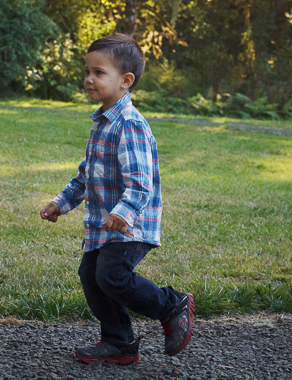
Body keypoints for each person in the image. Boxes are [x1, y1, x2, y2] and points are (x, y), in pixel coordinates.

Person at [40, 33, 194, 363]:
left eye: (99, 72)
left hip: (129, 225)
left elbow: (142, 183)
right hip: (104, 224)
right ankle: (120, 342)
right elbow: (87, 174)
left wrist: (123, 212)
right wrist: (61, 202)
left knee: (111, 276)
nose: (88, 79)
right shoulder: (103, 122)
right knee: (92, 278)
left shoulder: (130, 124)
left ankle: (171, 305)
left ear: (125, 81)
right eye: (88, 71)